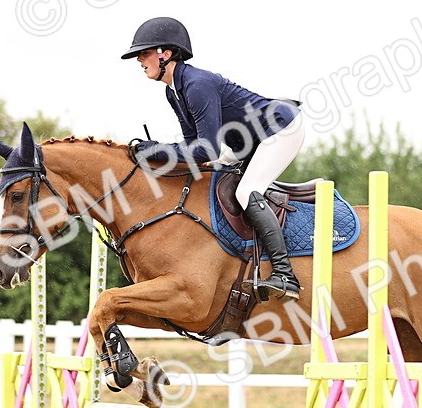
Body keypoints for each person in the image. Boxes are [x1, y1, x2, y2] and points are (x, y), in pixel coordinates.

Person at [121, 16, 303, 302]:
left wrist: (155, 150)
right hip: (243, 143)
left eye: (143, 54)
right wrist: (154, 153)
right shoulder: (174, 91)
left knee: (246, 192)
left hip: (279, 128)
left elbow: (206, 150)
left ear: (164, 54)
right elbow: (194, 147)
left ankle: (285, 274)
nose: (139, 61)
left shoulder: (196, 84)